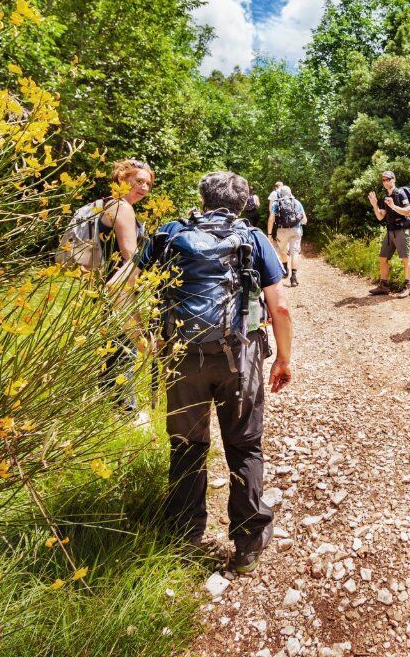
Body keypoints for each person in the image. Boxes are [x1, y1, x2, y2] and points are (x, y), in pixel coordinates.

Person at [139, 171, 294, 573]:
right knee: (244, 445)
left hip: (180, 357)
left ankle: (182, 538)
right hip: (238, 359)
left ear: (203, 199)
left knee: (187, 447)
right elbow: (279, 307)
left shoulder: (169, 233)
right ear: (244, 204)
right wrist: (283, 358)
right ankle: (247, 546)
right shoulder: (254, 238)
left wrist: (142, 337)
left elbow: (130, 286)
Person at [99, 159, 154, 419]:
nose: (144, 187)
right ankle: (126, 411)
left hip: (104, 285)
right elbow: (130, 256)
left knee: (112, 345)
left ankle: (108, 402)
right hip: (118, 287)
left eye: (147, 183)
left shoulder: (109, 204)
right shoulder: (123, 208)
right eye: (138, 181)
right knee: (125, 346)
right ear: (122, 179)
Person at [367, 170, 410, 297]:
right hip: (390, 232)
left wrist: (393, 206)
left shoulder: (401, 193)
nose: (385, 182)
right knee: (383, 259)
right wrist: (374, 205)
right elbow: (380, 217)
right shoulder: (385, 198)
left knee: (405, 259)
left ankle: (407, 287)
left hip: (401, 231)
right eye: (383, 180)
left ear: (394, 179)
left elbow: (408, 211)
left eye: (388, 179)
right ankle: (384, 286)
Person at [268, 185, 307, 287]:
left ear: (280, 194)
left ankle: (285, 270)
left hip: (282, 231)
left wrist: (269, 234)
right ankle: (293, 278)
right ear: (290, 193)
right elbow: (304, 220)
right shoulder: (297, 202)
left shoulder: (277, 203)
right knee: (295, 253)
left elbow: (271, 219)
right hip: (296, 230)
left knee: (282, 250)